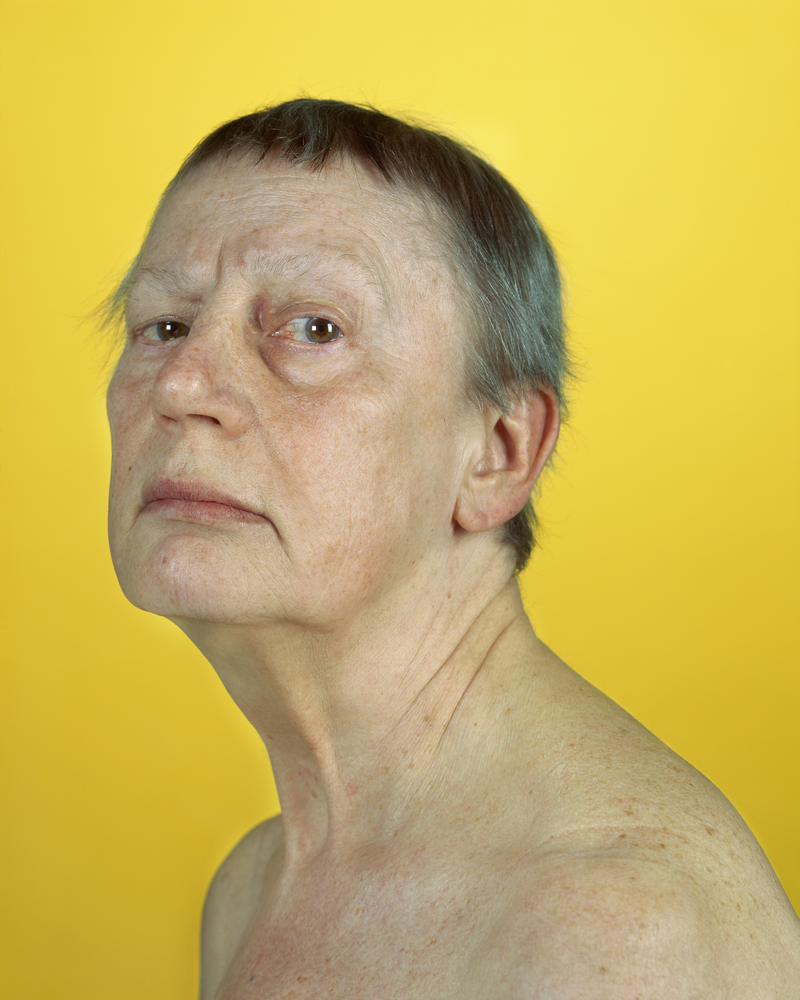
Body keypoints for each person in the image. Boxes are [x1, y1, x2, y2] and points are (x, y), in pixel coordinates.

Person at [105, 98, 800, 998]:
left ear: (498, 452)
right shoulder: (253, 887)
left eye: (316, 329)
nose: (182, 385)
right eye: (164, 325)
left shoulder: (617, 938)